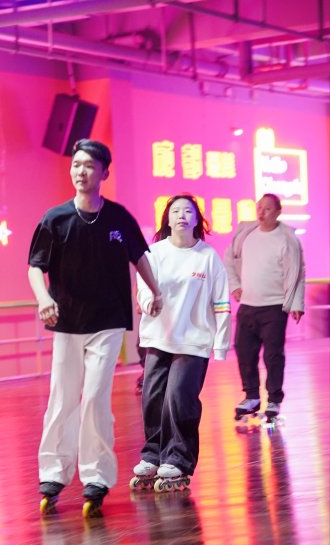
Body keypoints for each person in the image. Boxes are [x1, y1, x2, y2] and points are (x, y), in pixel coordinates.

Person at [28, 138, 162, 515]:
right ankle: (53, 474)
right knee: (62, 397)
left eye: (89, 165)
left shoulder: (118, 217)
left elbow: (140, 257)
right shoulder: (55, 219)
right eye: (76, 164)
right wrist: (43, 298)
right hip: (67, 322)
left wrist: (155, 290)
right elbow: (36, 266)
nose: (81, 171)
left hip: (108, 321)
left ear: (104, 172)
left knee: (95, 397)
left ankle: (96, 476)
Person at [132, 194, 231, 489]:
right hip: (158, 336)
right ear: (168, 218)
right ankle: (153, 455)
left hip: (193, 340)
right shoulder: (155, 252)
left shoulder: (208, 257)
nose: (181, 216)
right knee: (153, 397)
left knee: (178, 396)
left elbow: (221, 303)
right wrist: (148, 302)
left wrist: (220, 344)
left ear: (197, 219)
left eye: (188, 211)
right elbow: (143, 286)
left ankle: (178, 459)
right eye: (175, 211)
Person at [224, 193, 305, 421]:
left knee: (273, 355)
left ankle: (274, 399)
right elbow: (229, 260)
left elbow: (297, 272)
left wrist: (296, 303)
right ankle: (251, 396)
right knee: (244, 351)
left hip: (274, 307)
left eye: (267, 209)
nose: (261, 212)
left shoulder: (286, 238)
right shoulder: (246, 233)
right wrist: (235, 285)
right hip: (248, 306)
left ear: (278, 212)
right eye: (259, 207)